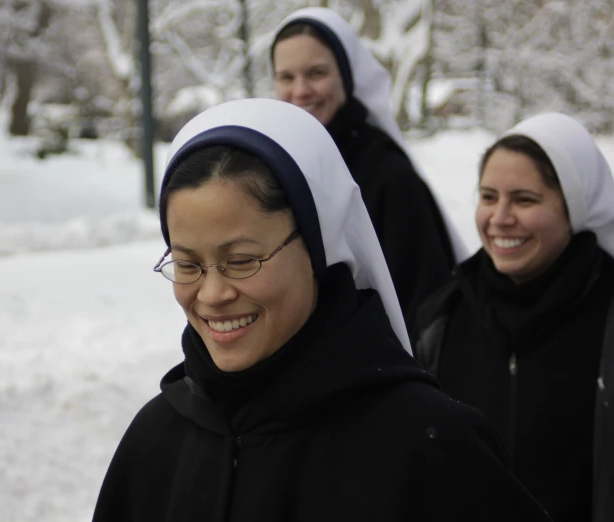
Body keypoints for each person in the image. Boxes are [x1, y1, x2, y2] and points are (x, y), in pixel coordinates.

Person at [91, 98, 551, 521]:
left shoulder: (427, 444)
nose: (211, 294)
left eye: (241, 261)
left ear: (317, 247)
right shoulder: (155, 442)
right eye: (188, 264)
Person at [414, 112, 614, 522]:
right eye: (488, 197)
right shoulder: (444, 317)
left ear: (574, 207)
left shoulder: (607, 315)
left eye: (524, 199)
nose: (500, 218)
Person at [270, 7, 467, 335]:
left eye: (316, 73)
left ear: (346, 78)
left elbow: (425, 305)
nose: (300, 91)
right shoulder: (276, 167)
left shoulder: (389, 176)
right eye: (286, 77)